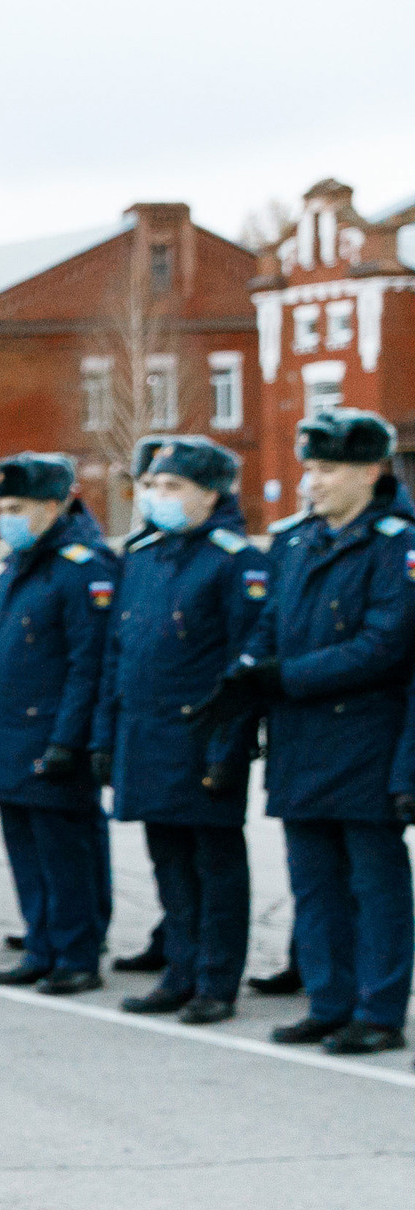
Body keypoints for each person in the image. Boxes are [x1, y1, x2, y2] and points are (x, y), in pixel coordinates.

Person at [211, 408, 412, 1053]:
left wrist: (283, 677)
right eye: (311, 468)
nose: (313, 482)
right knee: (313, 878)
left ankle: (378, 1011)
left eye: (327, 469)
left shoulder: (398, 546)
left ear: (370, 471)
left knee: (374, 883)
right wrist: (248, 672)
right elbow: (269, 622)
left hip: (366, 740)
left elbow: (384, 644)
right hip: (300, 738)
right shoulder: (297, 540)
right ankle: (328, 1001)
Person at [94, 437, 262, 1024]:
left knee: (214, 868)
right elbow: (120, 652)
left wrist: (227, 751)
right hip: (147, 734)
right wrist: (106, 735)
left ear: (211, 495)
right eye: (151, 486)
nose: (156, 498)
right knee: (168, 863)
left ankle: (216, 983)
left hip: (201, 740)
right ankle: (180, 971)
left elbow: (244, 665)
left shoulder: (232, 558)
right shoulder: (142, 554)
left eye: (173, 487)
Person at [0, 453, 116, 995]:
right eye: (3, 507)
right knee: (26, 852)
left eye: (18, 507)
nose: (7, 517)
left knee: (63, 856)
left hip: (52, 738)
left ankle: (75, 954)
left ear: (55, 505)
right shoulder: (16, 567)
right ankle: (41, 946)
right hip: (8, 735)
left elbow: (86, 666)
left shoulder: (83, 567)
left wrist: (66, 741)